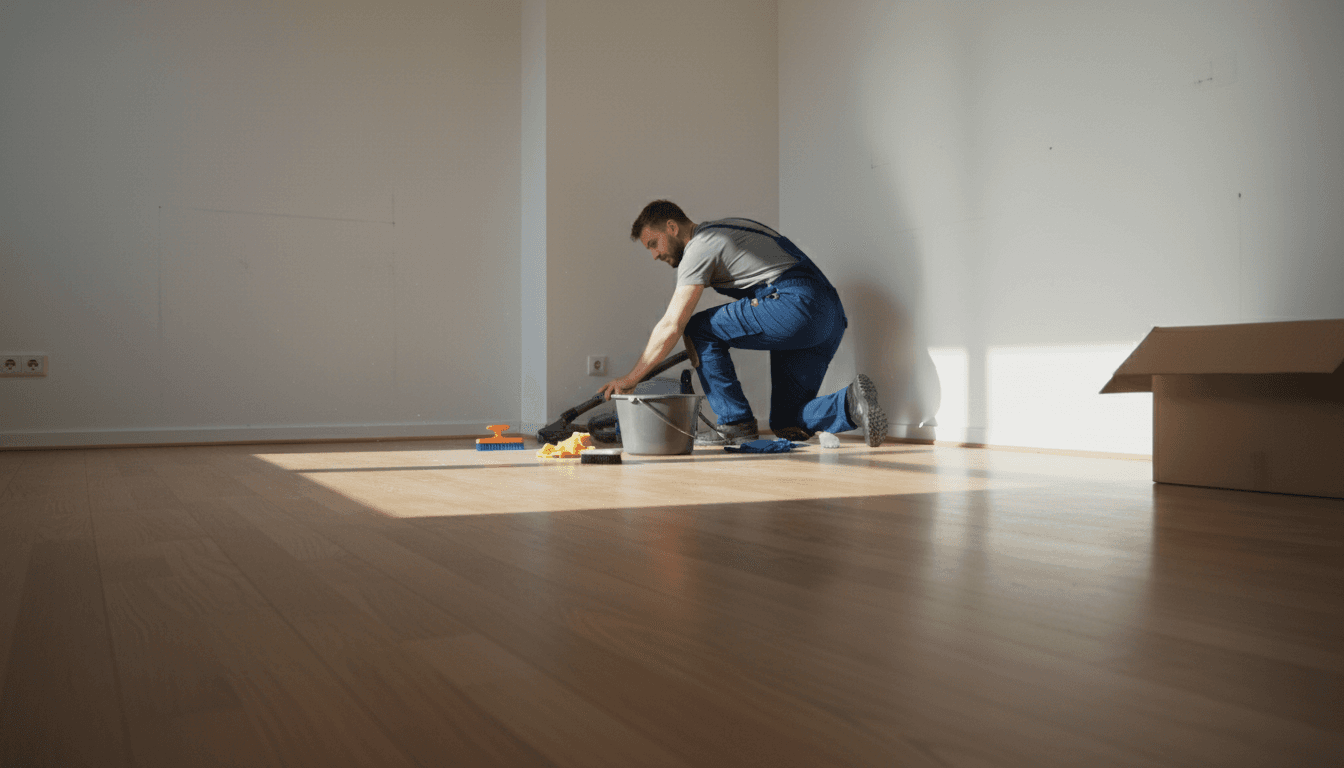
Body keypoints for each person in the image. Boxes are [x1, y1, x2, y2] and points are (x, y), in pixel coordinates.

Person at [599, 200, 887, 447]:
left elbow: (671, 325)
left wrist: (630, 378)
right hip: (829, 315)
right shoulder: (726, 229)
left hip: (796, 304)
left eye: (654, 243)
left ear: (672, 227)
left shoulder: (700, 247)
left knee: (697, 328)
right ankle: (849, 403)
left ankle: (734, 423)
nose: (655, 255)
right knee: (787, 422)